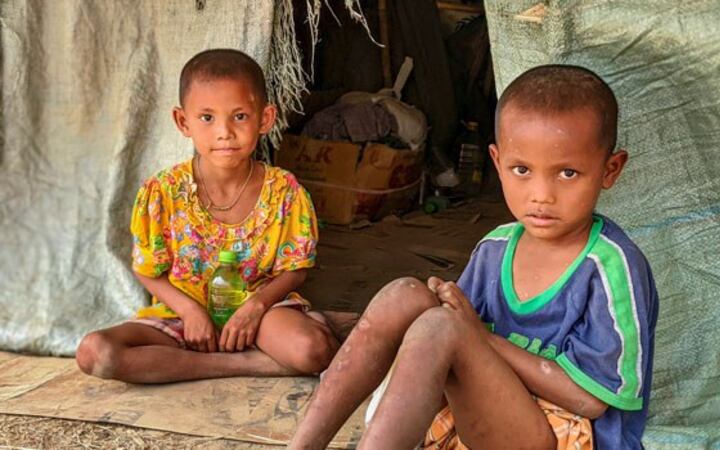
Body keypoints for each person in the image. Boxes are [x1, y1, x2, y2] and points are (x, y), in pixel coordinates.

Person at [288, 65, 659, 450]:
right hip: (485, 415)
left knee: (441, 328)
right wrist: (447, 313)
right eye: (522, 170)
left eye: (567, 173)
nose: (541, 195)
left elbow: (592, 400)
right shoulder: (495, 249)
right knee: (405, 295)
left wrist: (479, 336)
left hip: (566, 434)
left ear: (609, 170)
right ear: (497, 163)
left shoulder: (611, 266)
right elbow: (458, 341)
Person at [76, 49, 339, 383]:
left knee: (312, 350)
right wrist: (190, 312)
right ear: (183, 122)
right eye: (207, 118)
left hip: (258, 314)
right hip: (181, 316)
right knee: (95, 352)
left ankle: (185, 364)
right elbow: (147, 269)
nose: (224, 132)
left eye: (240, 116)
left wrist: (254, 308)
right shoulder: (163, 192)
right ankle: (250, 365)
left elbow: (295, 269)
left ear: (265, 119)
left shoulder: (284, 191)